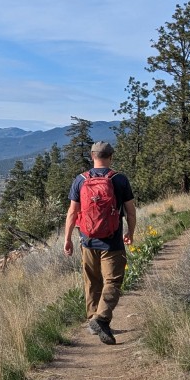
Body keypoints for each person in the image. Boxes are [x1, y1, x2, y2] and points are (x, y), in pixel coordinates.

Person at [63, 141, 136, 345]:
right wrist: (130, 232)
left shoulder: (80, 180)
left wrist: (67, 238)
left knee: (92, 282)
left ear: (92, 156)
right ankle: (101, 319)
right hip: (112, 242)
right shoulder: (119, 179)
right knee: (113, 281)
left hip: (87, 241)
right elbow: (130, 211)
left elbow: (72, 213)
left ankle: (93, 319)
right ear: (110, 157)